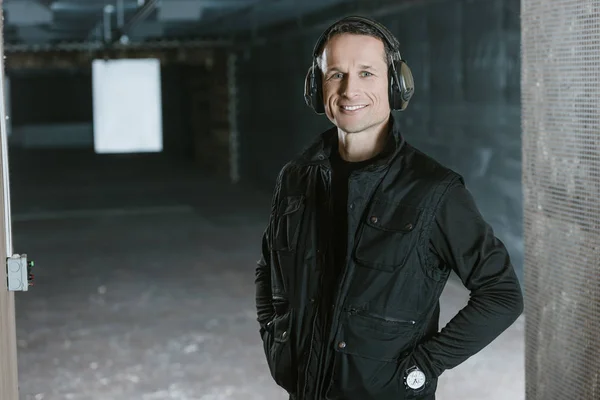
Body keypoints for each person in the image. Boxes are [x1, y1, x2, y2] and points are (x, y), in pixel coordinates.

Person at [254, 15, 524, 400]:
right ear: (317, 88)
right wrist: (274, 334)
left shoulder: (433, 189)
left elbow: (502, 294)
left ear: (396, 86)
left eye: (366, 73)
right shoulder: (296, 178)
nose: (349, 90)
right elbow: (268, 268)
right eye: (335, 74)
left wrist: (423, 366)